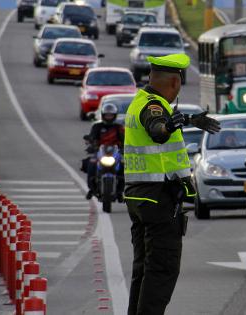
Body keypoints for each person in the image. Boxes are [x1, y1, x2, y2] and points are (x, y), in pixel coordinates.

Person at [123, 53, 221, 315]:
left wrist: (188, 120)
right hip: (157, 199)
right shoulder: (154, 107)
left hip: (139, 196)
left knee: (144, 269)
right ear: (175, 83)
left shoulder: (139, 101)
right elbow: (156, 129)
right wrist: (167, 126)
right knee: (162, 269)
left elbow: (158, 125)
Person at [85, 103, 124, 200]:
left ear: (114, 116)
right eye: (107, 115)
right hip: (100, 151)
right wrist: (91, 144)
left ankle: (120, 191)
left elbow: (125, 139)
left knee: (124, 166)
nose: (109, 117)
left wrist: (126, 148)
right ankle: (91, 189)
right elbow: (92, 137)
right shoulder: (97, 126)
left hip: (115, 152)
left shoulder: (118, 127)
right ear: (103, 115)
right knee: (91, 165)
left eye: (111, 115)